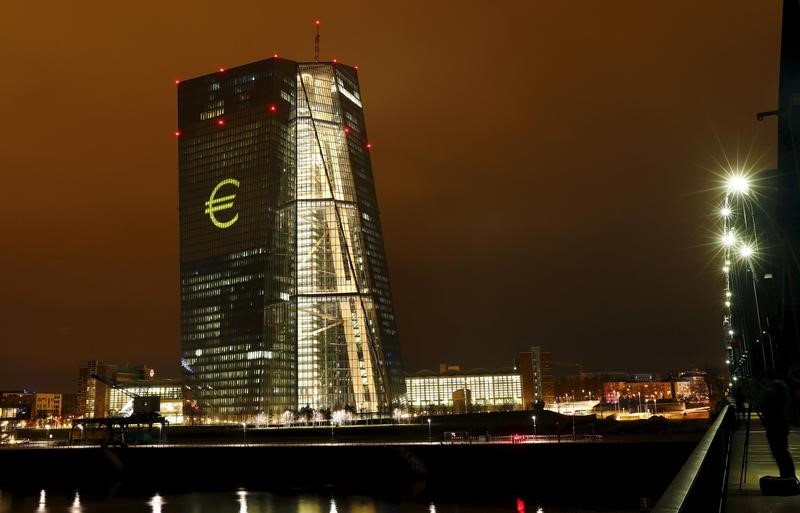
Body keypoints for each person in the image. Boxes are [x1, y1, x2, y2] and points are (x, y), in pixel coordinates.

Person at [753, 373, 797, 480]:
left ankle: (787, 477)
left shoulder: (771, 391)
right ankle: (788, 476)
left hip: (774, 424)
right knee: (783, 450)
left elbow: (760, 404)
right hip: (781, 423)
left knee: (779, 451)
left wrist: (757, 392)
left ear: (766, 379)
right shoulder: (781, 388)